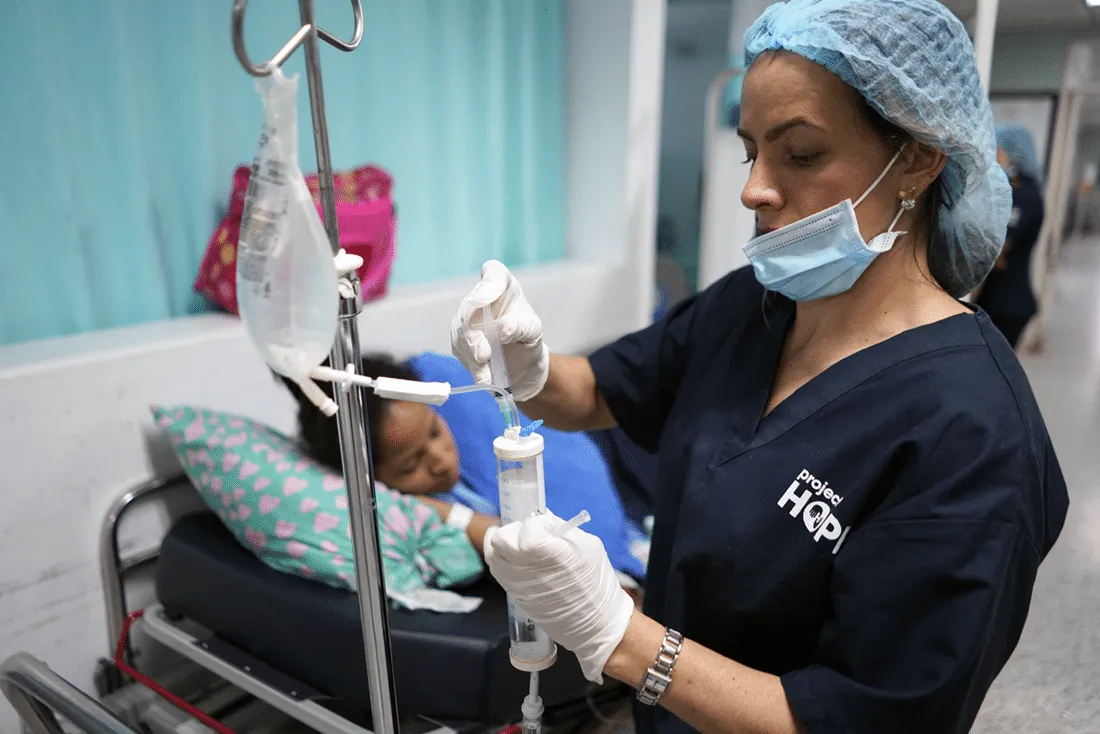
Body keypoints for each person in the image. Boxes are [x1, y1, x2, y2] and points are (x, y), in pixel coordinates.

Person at [448, 2, 1069, 733]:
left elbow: (865, 718)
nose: (754, 188)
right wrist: (529, 363)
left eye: (799, 153)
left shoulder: (974, 434)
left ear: (920, 159)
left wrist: (622, 637)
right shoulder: (757, 305)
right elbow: (599, 392)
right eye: (751, 151)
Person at [277, 353, 648, 594]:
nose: (439, 460)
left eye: (436, 432)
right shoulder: (414, 509)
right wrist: (441, 511)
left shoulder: (457, 415)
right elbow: (519, 545)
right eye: (411, 464)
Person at [975, 124, 1047, 348]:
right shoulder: (1016, 188)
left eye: (998, 149)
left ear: (1014, 153)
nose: (994, 155)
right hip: (999, 297)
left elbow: (997, 249)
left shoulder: (1024, 192)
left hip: (1008, 301)